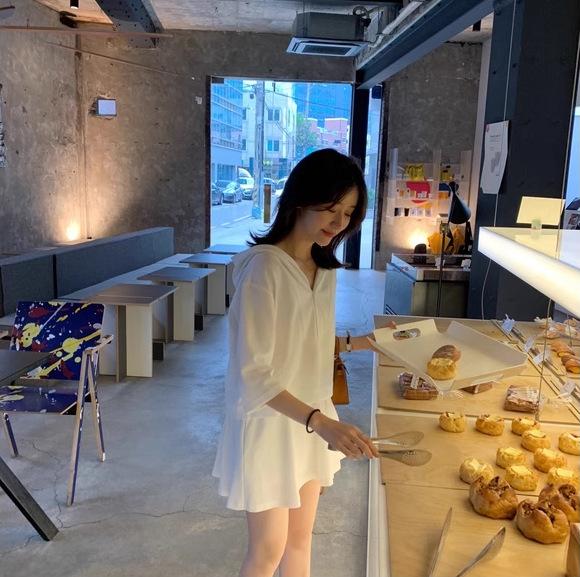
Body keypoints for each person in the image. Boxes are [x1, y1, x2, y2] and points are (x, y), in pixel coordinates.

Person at [212, 148, 379, 577]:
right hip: (271, 424)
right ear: (302, 198)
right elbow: (253, 373)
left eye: (348, 213)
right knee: (268, 550)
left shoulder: (323, 268)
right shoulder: (263, 269)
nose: (339, 222)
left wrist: (362, 343)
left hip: (311, 419)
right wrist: (322, 423)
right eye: (331, 208)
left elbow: (305, 339)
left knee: (300, 542)